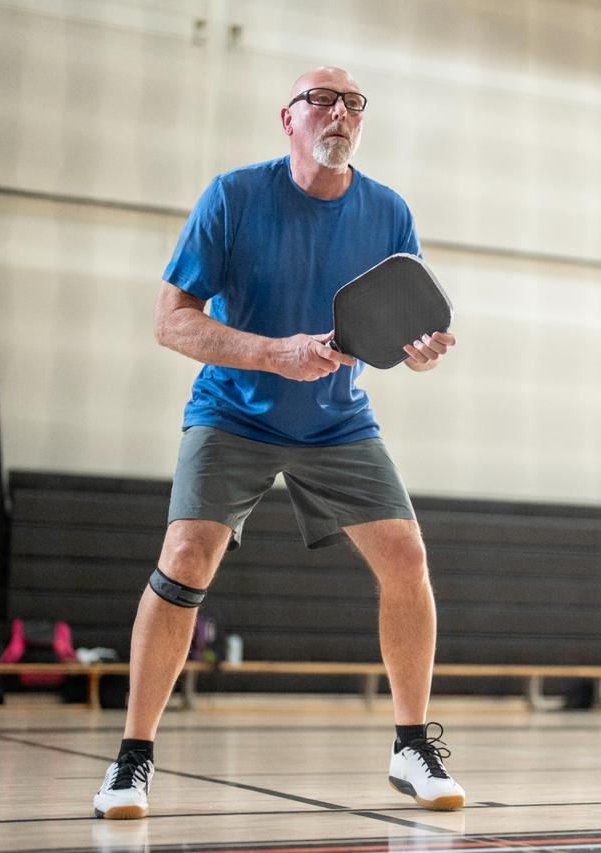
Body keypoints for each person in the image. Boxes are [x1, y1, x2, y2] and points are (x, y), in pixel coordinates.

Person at [92, 67, 463, 819]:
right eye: (323, 99)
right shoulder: (232, 198)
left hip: (336, 419)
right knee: (186, 554)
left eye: (354, 103)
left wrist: (417, 350)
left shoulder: (388, 212)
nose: (341, 113)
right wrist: (273, 352)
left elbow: (399, 327)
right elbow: (171, 320)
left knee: (407, 555)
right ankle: (132, 759)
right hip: (234, 411)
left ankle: (411, 745)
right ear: (286, 119)